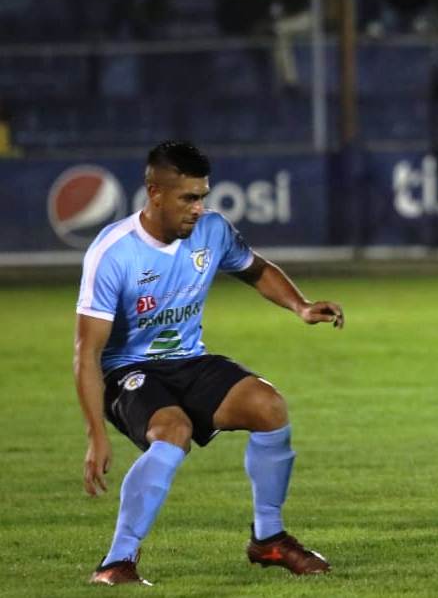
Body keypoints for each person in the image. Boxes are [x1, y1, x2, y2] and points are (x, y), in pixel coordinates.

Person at [76, 141, 344, 586]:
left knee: (268, 407)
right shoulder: (113, 253)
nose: (199, 208)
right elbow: (86, 351)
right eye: (188, 198)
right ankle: (117, 562)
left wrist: (299, 306)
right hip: (127, 370)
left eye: (203, 196)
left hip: (190, 359)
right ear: (154, 192)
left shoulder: (213, 231)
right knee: (173, 431)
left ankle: (268, 540)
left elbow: (254, 268)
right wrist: (95, 435)